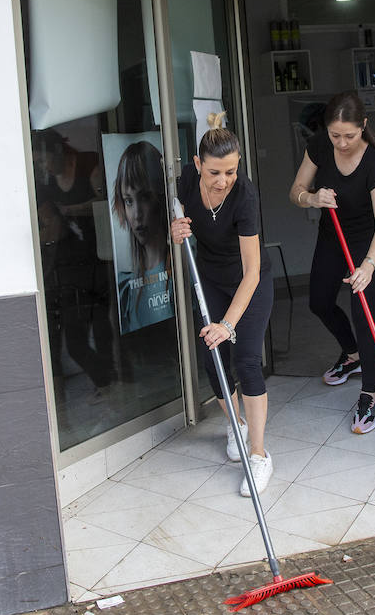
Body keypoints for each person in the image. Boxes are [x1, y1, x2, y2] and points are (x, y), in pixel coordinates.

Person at [170, 112, 275, 497]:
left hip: (251, 280)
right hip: (212, 277)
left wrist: (228, 325)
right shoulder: (184, 181)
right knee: (211, 356)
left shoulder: (244, 195)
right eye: (214, 172)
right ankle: (236, 423)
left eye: (230, 171)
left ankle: (259, 455)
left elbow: (251, 273)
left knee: (245, 358)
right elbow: (176, 217)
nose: (222, 181)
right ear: (198, 165)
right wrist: (175, 228)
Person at [288, 91, 375, 434]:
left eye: (349, 135)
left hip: (367, 245)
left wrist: (368, 266)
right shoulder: (320, 146)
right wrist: (312, 198)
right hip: (333, 237)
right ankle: (352, 354)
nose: (342, 143)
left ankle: (370, 395)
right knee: (319, 301)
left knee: (363, 311)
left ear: (363, 126)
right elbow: (296, 190)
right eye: (336, 135)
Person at [33, 130, 115, 400]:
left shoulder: (88, 165)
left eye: (44, 160)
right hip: (72, 262)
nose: (43, 167)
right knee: (79, 332)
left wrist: (72, 211)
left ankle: (109, 380)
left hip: (101, 251)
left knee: (101, 320)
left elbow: (107, 203)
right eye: (38, 163)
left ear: (59, 151)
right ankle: (106, 379)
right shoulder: (48, 182)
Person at [111, 140, 173, 333]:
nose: (137, 214)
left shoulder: (184, 266)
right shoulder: (125, 290)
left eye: (145, 197)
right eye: (128, 201)